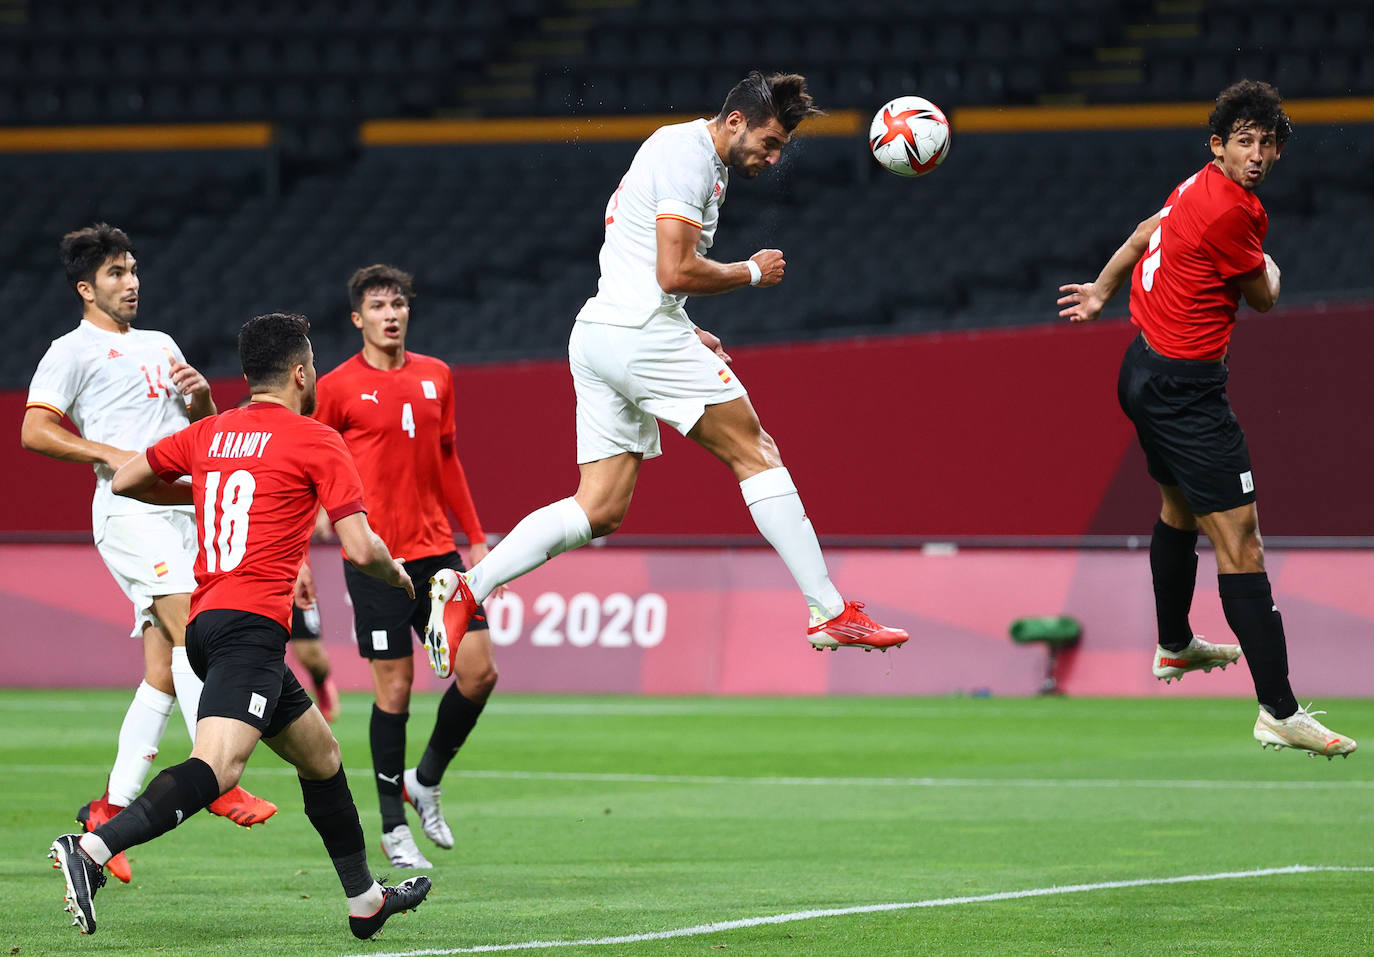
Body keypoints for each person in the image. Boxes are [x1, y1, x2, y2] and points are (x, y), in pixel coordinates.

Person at [424, 71, 908, 667]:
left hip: (603, 330)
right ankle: (829, 610)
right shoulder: (689, 157)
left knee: (599, 507)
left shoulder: (689, 154)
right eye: (771, 142)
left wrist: (686, 329)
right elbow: (675, 271)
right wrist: (751, 272)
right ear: (735, 121)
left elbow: (647, 269)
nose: (775, 157)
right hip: (636, 335)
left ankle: (470, 587)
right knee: (756, 451)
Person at [49, 313, 431, 940]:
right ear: (303, 373)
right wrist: (398, 579)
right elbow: (361, 549)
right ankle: (91, 850)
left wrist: (204, 487)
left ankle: (364, 899)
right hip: (250, 627)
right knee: (219, 767)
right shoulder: (315, 438)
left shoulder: (213, 433)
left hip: (207, 623)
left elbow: (126, 479)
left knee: (323, 755)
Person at [1057, 79, 1356, 758]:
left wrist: (1103, 288)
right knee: (1242, 542)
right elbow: (1266, 298)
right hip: (1187, 396)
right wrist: (1271, 266)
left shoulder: (1194, 185)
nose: (1257, 153)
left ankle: (1172, 643)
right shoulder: (1234, 214)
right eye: (1243, 141)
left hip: (1141, 371)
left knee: (1177, 508)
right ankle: (1278, 709)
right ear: (1217, 145)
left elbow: (1142, 232)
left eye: (1267, 142)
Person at [22, 224, 277, 885]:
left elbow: (199, 428)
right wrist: (105, 452)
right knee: (199, 629)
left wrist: (200, 399)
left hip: (184, 509)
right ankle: (215, 775)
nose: (131, 281)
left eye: (133, 269)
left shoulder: (161, 344)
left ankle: (108, 811)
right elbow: (35, 428)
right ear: (87, 287)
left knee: (164, 668)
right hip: (132, 514)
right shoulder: (72, 351)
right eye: (114, 273)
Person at [313, 264, 499, 868]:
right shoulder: (337, 387)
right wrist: (299, 548)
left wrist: (474, 535)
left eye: (398, 304)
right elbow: (309, 466)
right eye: (378, 305)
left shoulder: (437, 375)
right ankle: (393, 827)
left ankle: (426, 778)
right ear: (357, 318)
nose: (390, 314)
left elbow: (448, 457)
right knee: (394, 689)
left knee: (479, 673)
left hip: (439, 553)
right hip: (374, 559)